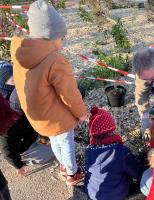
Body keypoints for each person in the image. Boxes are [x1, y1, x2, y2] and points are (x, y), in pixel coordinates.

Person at [10, 0, 87, 185]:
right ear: (50, 36)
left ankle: (62, 165)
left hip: (38, 117)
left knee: (55, 140)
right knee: (67, 142)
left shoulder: (20, 54)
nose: (62, 42)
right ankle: (71, 173)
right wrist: (81, 114)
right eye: (62, 38)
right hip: (57, 117)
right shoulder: (55, 61)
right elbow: (70, 94)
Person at [84, 107, 143, 200]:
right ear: (111, 131)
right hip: (115, 195)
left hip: (93, 193)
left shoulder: (89, 151)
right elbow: (137, 173)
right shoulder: (121, 152)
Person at [0, 93, 54, 177]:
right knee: (50, 152)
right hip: (23, 147)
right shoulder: (6, 127)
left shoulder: (19, 108)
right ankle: (24, 160)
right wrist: (18, 166)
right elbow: (7, 151)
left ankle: (41, 144)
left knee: (52, 142)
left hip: (31, 135)